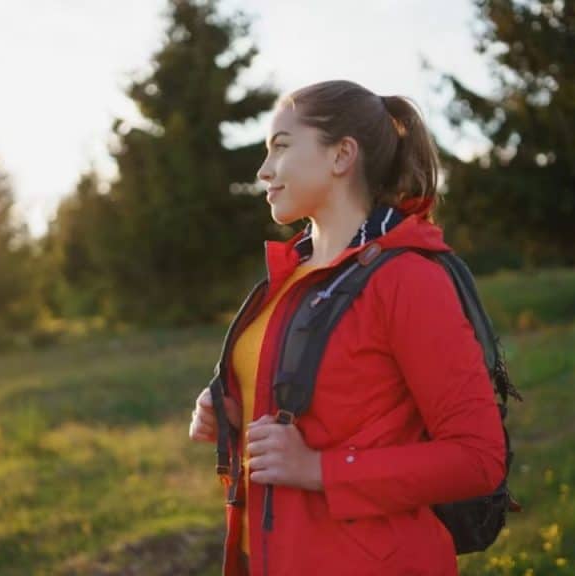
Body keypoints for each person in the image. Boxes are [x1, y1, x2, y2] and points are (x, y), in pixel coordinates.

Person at [188, 80, 506, 576]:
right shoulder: (290, 276)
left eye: (282, 147)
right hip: (271, 556)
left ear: (342, 156)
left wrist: (317, 469)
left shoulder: (406, 278)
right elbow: (323, 408)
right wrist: (235, 415)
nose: (263, 170)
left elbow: (478, 458)